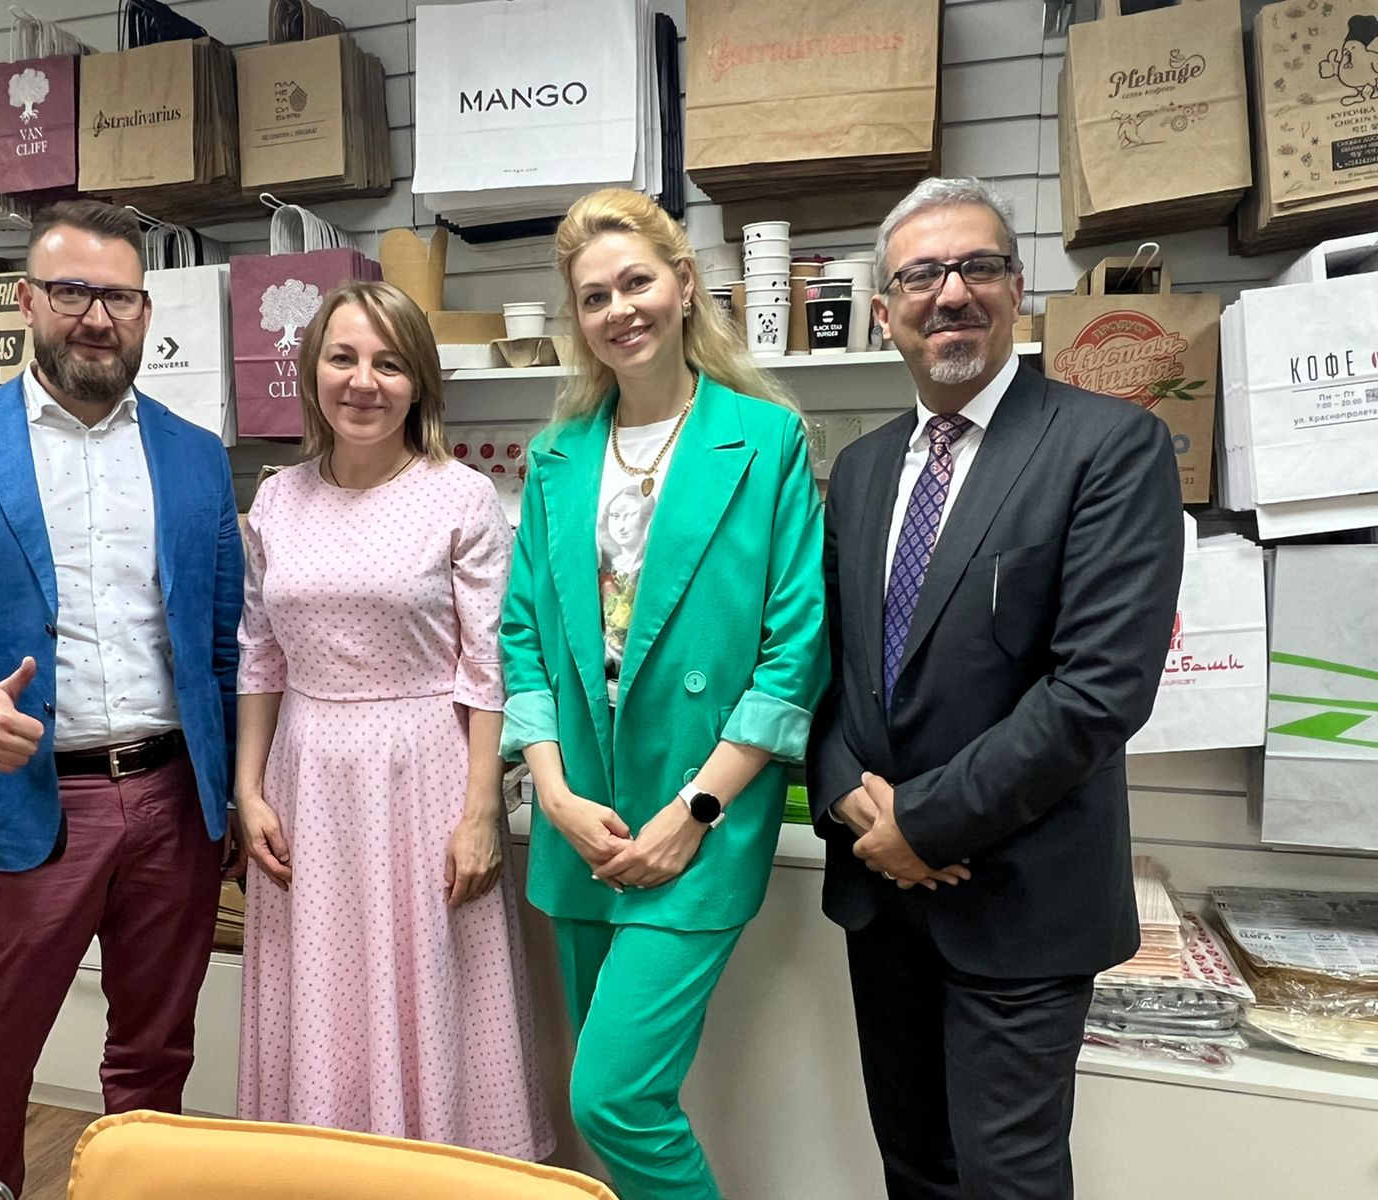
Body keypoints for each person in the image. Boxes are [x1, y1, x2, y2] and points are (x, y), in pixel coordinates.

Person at [0, 199, 244, 1197]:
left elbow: (221, 645)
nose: (97, 318)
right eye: (72, 293)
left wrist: (231, 793)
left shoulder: (196, 455)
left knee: (155, 1060)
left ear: (145, 311)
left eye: (119, 297)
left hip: (172, 806)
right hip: (21, 803)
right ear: (25, 301)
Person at [807, 177, 1184, 1200]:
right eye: (920, 275)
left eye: (977, 266)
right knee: (915, 1168)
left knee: (1007, 1182)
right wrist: (845, 795)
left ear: (1017, 289)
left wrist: (921, 823)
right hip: (882, 902)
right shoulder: (862, 470)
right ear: (883, 311)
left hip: (1022, 900)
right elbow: (829, 667)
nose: (950, 292)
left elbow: (1099, 691)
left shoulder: (1108, 446)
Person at [499, 187, 827, 1200]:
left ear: (684, 285)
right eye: (594, 296)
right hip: (583, 824)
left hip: (697, 820)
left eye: (635, 282)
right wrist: (553, 795)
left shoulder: (764, 440)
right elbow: (522, 640)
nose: (619, 310)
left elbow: (792, 653)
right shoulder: (556, 457)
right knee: (611, 1102)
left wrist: (694, 813)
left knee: (614, 1099)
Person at [233, 280, 552, 1160]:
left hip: (423, 778)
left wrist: (482, 812)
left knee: (430, 987)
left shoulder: (460, 497)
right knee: (320, 989)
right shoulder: (277, 499)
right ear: (312, 370)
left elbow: (488, 668)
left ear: (420, 383)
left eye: (389, 363)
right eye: (343, 358)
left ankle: (438, 1169)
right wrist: (247, 790)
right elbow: (260, 653)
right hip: (305, 779)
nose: (363, 382)